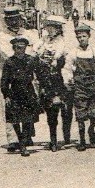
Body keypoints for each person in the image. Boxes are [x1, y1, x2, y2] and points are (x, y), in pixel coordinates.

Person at [0, 4, 38, 149]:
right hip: (10, 76)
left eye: (15, 19)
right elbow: (8, 53)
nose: (13, 22)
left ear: (20, 19)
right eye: (9, 20)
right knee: (10, 107)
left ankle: (27, 136)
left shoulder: (29, 33)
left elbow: (35, 49)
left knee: (29, 103)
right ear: (6, 21)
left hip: (27, 74)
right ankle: (13, 139)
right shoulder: (2, 36)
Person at [63, 25, 95, 150]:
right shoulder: (74, 52)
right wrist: (68, 80)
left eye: (84, 36)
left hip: (93, 84)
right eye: (79, 37)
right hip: (79, 86)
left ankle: (91, 129)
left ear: (88, 36)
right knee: (80, 112)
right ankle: (82, 139)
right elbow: (67, 68)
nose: (81, 39)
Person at [0, 36, 42, 157]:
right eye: (18, 48)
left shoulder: (31, 60)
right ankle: (21, 142)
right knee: (15, 120)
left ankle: (23, 144)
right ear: (14, 48)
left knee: (28, 120)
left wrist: (40, 90)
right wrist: (6, 95)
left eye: (23, 48)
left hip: (28, 93)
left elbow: (39, 74)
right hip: (14, 93)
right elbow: (4, 81)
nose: (21, 50)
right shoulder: (9, 62)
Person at [37, 18, 74, 150]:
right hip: (48, 79)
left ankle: (67, 135)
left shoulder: (63, 41)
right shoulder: (45, 40)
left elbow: (64, 55)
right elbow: (38, 50)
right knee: (51, 111)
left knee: (66, 110)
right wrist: (41, 55)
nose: (49, 30)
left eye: (52, 28)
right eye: (48, 28)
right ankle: (53, 140)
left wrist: (55, 59)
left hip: (62, 76)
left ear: (58, 29)